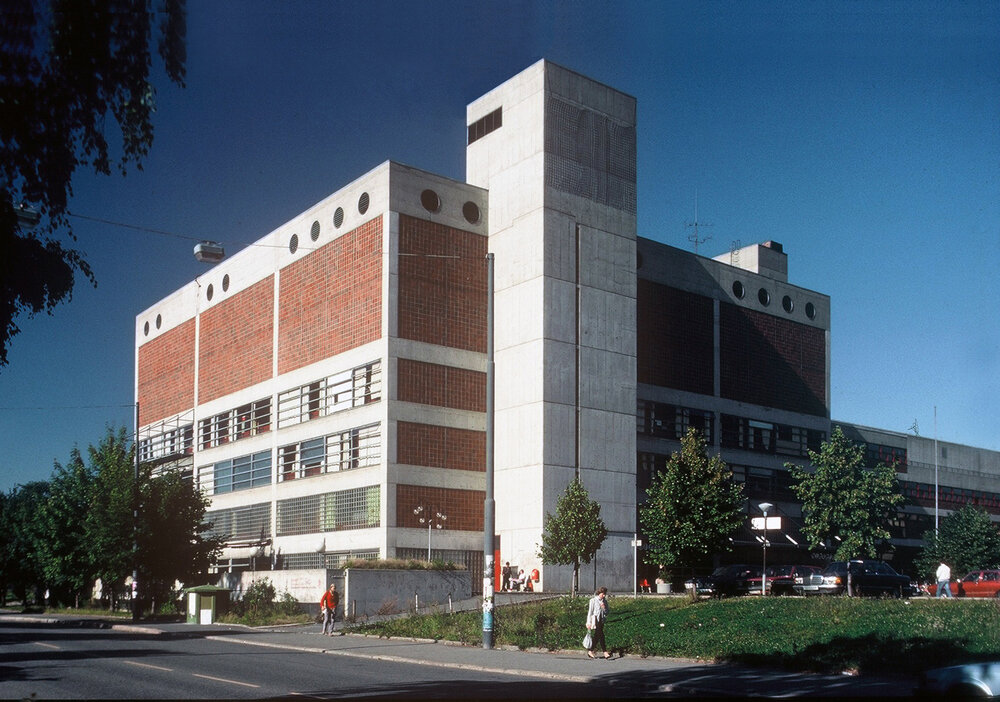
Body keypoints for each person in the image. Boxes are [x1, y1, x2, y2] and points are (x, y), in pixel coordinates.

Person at [585, 586, 611, 659]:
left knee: (597, 636)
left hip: (601, 620)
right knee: (601, 634)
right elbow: (590, 612)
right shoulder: (593, 600)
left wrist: (604, 608)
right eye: (603, 594)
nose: (604, 595)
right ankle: (605, 652)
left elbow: (607, 612)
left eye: (605, 594)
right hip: (595, 620)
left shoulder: (604, 601)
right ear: (599, 593)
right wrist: (588, 622)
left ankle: (590, 651)